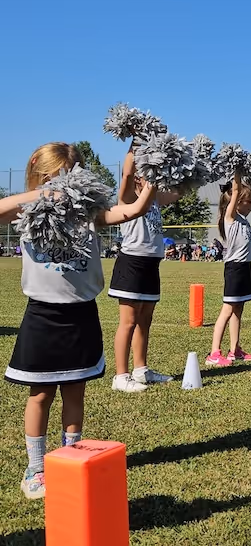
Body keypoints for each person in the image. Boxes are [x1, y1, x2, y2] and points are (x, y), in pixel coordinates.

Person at [0, 142, 156, 499]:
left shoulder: (87, 212)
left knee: (75, 390)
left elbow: (127, 212)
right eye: (57, 177)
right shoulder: (26, 210)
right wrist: (39, 195)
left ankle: (70, 456)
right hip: (42, 314)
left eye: (71, 175)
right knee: (40, 393)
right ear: (41, 176)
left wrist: (149, 186)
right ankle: (36, 467)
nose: (64, 184)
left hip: (81, 312)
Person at [109, 148, 183, 393]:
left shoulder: (154, 198)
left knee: (145, 320)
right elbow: (127, 174)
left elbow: (179, 193)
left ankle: (141, 370)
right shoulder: (129, 197)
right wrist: (133, 145)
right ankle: (120, 376)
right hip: (132, 263)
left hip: (152, 264)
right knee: (128, 322)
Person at [205, 173, 251, 367]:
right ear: (236, 203)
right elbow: (235, 191)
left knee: (238, 310)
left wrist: (250, 179)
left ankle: (235, 349)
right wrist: (237, 171)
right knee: (227, 310)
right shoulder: (231, 217)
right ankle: (214, 352)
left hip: (245, 268)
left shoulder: (243, 219)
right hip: (235, 269)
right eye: (248, 201)